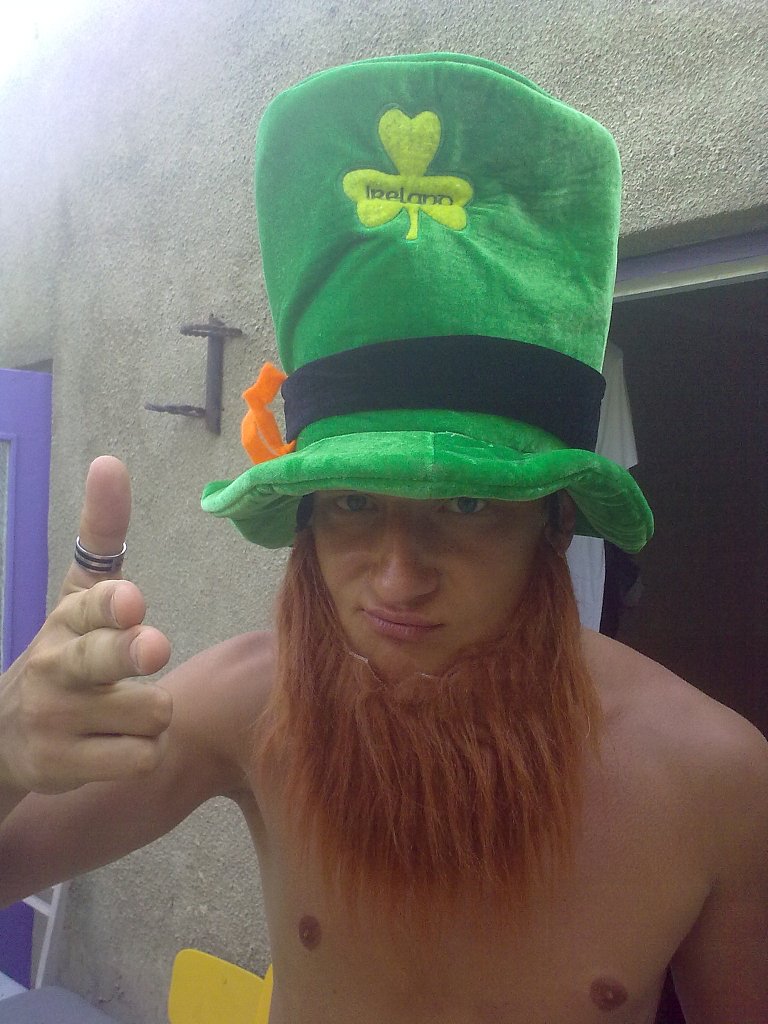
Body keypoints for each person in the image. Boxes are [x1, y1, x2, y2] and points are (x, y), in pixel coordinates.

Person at [1, 53, 766, 1024]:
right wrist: (7, 744)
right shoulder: (254, 703)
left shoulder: (714, 779)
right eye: (355, 503)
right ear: (308, 518)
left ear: (556, 517)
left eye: (468, 505)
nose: (399, 578)